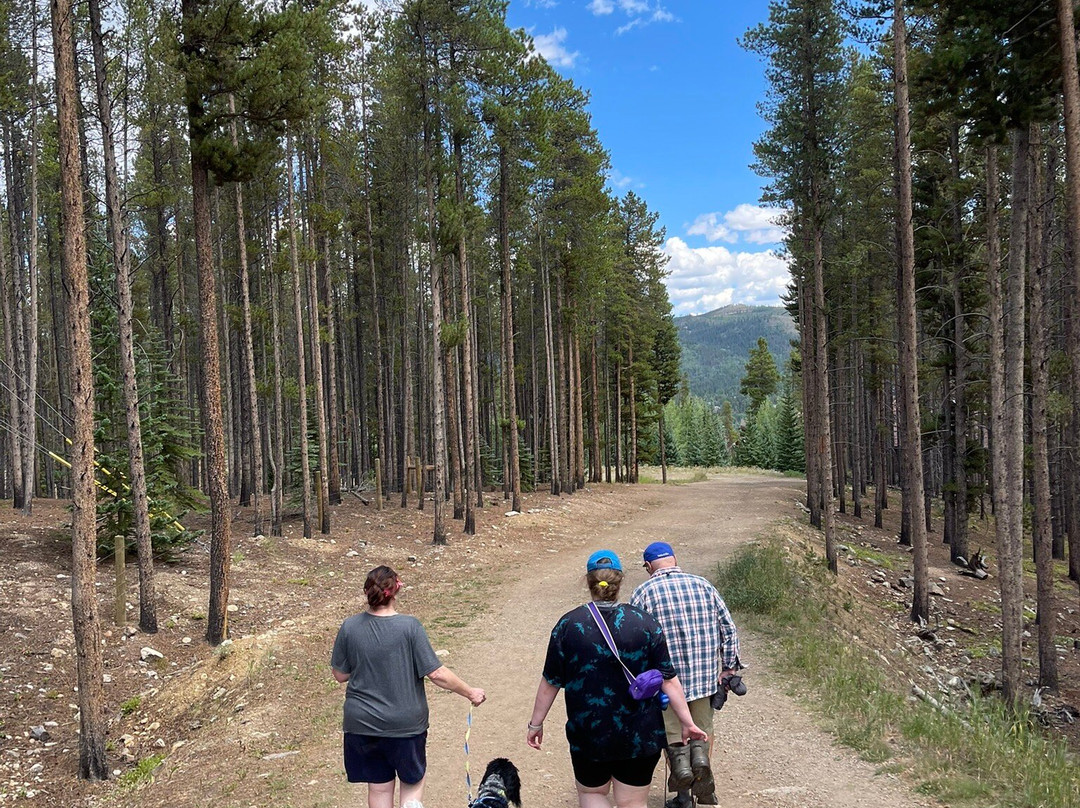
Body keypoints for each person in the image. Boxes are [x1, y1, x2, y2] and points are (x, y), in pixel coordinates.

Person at [526, 550, 707, 808]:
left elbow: (551, 681)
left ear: (588, 582)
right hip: (639, 735)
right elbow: (669, 679)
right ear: (619, 582)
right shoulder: (646, 623)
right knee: (633, 802)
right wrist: (687, 723)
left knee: (593, 795)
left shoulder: (568, 625)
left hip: (589, 733)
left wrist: (536, 724)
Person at [331, 565, 486, 808]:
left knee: (379, 789)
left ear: (367, 592)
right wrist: (470, 692)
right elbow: (436, 673)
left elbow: (340, 675)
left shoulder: (349, 627)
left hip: (361, 726)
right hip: (405, 727)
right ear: (395, 591)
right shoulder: (409, 627)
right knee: (412, 788)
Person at [630, 541, 741, 808]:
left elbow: (634, 638)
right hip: (704, 679)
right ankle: (704, 785)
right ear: (675, 559)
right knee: (703, 729)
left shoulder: (643, 593)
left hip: (666, 683)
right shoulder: (704, 586)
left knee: (673, 733)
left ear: (648, 567)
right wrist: (728, 669)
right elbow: (729, 628)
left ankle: (683, 797)